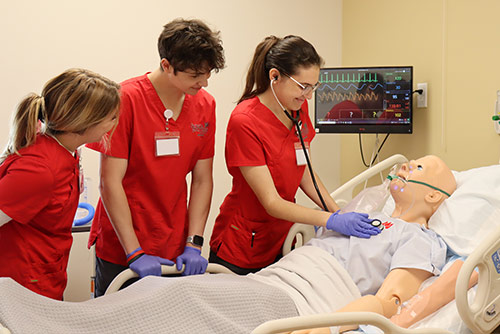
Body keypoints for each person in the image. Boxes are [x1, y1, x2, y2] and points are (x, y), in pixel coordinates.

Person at [0, 155, 462, 334]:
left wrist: (326, 327)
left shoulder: (417, 239)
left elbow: (388, 301)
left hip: (299, 301)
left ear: (432, 197)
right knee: (156, 292)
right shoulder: (366, 218)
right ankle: (49, 322)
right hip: (273, 279)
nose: (403, 169)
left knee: (176, 297)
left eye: (417, 169)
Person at [209, 35, 380, 275]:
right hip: (242, 246)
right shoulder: (245, 121)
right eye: (303, 87)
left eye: (314, 87)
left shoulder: (297, 109)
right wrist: (328, 221)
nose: (309, 96)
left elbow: (304, 172)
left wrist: (337, 211)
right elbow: (271, 202)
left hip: (280, 239)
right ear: (275, 76)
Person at [86, 18, 226, 297]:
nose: (204, 82)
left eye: (208, 73)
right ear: (166, 65)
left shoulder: (205, 104)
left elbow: (201, 180)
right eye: (195, 75)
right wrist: (134, 251)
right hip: (124, 244)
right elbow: (110, 182)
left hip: (174, 243)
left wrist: (194, 243)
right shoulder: (126, 99)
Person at [0, 68, 121, 300]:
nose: (115, 123)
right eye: (111, 117)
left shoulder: (66, 153)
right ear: (84, 121)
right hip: (21, 287)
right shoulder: (39, 169)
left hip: (44, 276)